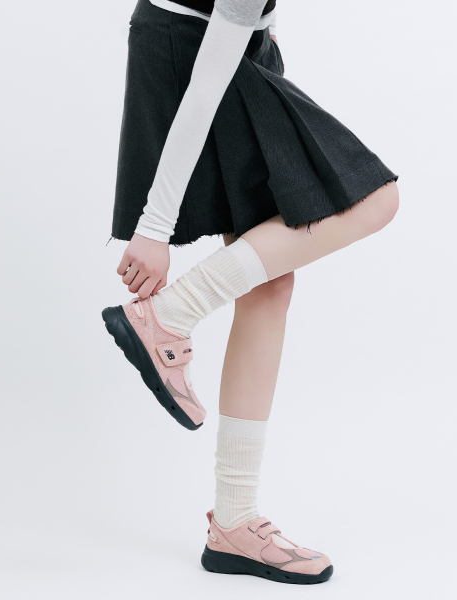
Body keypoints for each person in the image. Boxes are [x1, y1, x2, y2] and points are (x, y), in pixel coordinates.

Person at [103, 0, 399, 584]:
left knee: (270, 285)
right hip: (198, 51)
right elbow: (205, 83)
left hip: (236, 44)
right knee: (377, 199)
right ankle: (169, 314)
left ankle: (234, 522)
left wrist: (263, 39)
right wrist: (154, 226)